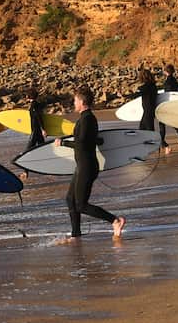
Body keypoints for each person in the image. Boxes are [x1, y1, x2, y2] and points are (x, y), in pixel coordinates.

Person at [57, 86, 125, 240]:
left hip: (87, 166)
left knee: (81, 204)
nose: (74, 103)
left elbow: (81, 143)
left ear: (81, 101)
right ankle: (76, 234)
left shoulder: (87, 119)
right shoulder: (86, 118)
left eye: (75, 100)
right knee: (70, 199)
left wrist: (63, 143)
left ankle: (115, 220)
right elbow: (91, 139)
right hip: (82, 165)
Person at [162, 64, 178, 151]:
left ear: (166, 71)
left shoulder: (168, 81)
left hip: (169, 104)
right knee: (175, 124)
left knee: (165, 124)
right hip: (174, 103)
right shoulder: (174, 80)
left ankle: (165, 146)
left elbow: (168, 93)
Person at [137, 67, 159, 132]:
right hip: (151, 109)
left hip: (148, 110)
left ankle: (154, 141)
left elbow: (136, 94)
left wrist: (125, 96)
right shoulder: (153, 86)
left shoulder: (145, 87)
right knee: (144, 128)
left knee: (148, 129)